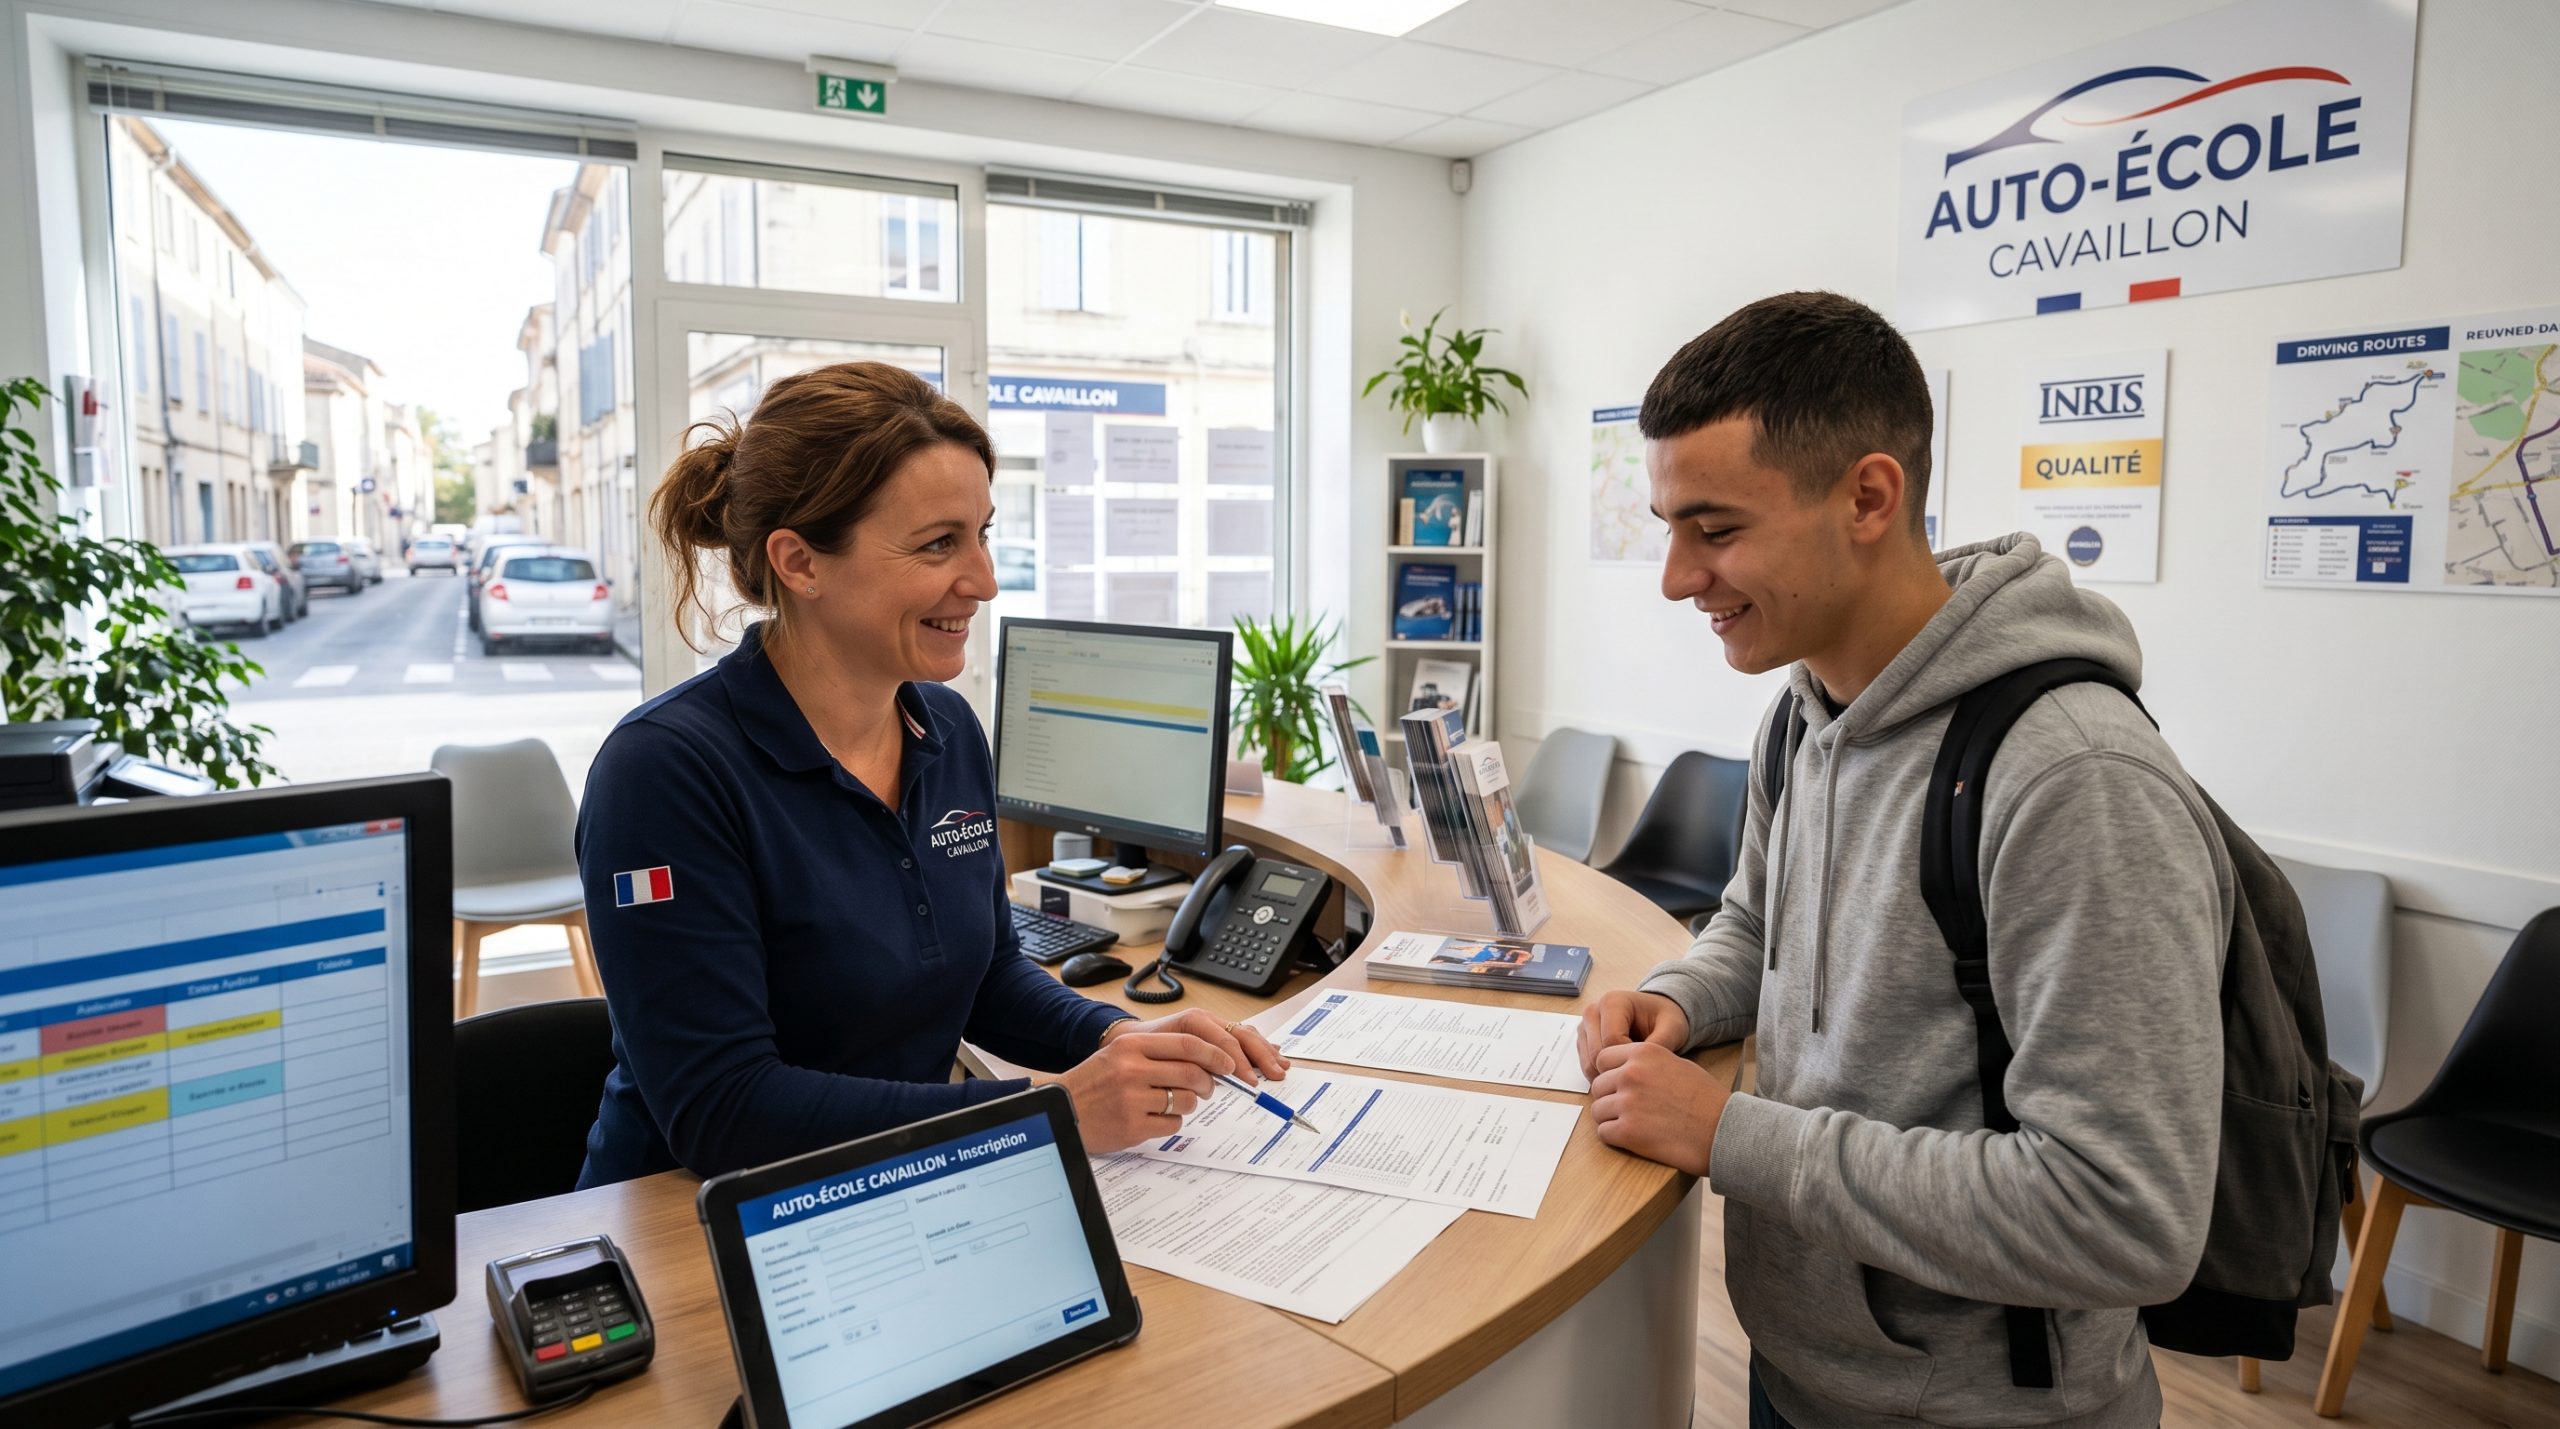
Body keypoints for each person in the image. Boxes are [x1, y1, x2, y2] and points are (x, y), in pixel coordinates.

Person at [1576, 293, 2231, 1429]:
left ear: (1869, 497)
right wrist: (1679, 1002)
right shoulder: (1803, 709)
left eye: (1716, 529)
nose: (1678, 578)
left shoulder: (2074, 779)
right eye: (1669, 525)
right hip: (1808, 1367)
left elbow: (2123, 1213)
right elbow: (1753, 923)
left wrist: (1729, 1134)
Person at [574, 362, 1286, 1189]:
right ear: (800, 562)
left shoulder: (945, 728)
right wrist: (1049, 1111)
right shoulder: (664, 772)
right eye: (939, 543)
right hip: (691, 1228)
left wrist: (1114, 1038)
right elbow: (723, 1110)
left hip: (898, 1183)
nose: (983, 580)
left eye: (982, 532)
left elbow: (984, 977)